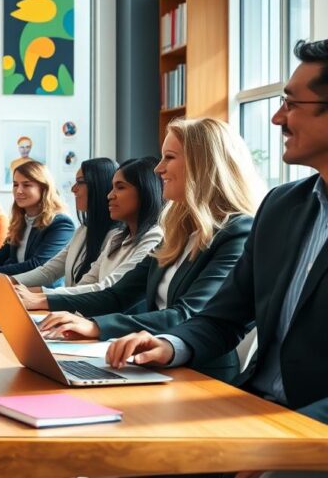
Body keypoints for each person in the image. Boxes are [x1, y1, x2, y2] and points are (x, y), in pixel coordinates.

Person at [107, 40, 328, 426]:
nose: (277, 118)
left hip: (305, 435)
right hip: (255, 409)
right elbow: (224, 317)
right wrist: (170, 344)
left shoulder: (239, 225)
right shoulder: (282, 206)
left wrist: (288, 444)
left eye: (291, 104)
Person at [39, 118, 262, 382]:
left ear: (202, 164)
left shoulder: (238, 232)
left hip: (200, 375)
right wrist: (45, 302)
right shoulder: (176, 232)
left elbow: (187, 314)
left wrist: (97, 326)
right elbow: (116, 295)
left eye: (169, 157)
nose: (158, 169)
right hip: (147, 365)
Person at [18, 156, 165, 300]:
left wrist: (40, 296)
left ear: (146, 191)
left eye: (120, 187)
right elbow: (84, 284)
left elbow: (107, 288)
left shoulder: (153, 237)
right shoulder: (113, 238)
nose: (110, 195)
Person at [7, 158, 118, 290]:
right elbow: (49, 270)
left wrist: (42, 296)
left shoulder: (116, 236)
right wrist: (6, 281)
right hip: (68, 306)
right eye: (15, 185)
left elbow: (92, 289)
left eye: (80, 182)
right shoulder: (83, 230)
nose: (73, 189)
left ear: (99, 185)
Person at [0, 160, 74, 276]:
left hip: (37, 291)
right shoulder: (21, 221)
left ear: (43, 188)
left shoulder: (61, 223)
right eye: (15, 185)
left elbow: (37, 265)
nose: (18, 191)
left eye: (26, 185)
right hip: (14, 286)